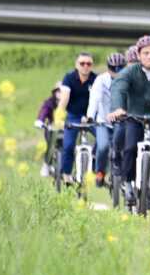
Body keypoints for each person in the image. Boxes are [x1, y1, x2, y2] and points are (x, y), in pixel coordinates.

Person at [108, 35, 150, 207]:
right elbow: (118, 86)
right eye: (146, 53)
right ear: (139, 55)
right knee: (129, 148)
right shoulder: (130, 71)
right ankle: (128, 183)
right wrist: (118, 107)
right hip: (134, 116)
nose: (149, 56)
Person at [84, 52, 126, 187]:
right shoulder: (101, 80)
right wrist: (90, 116)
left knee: (125, 148)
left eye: (120, 68)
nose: (117, 72)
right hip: (103, 122)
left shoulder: (128, 80)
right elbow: (94, 98)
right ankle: (100, 172)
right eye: (114, 69)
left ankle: (126, 177)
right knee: (102, 147)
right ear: (108, 68)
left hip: (122, 121)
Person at [55, 52, 97, 184]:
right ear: (76, 65)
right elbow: (64, 99)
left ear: (92, 66)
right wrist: (59, 118)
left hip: (91, 117)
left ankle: (94, 161)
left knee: (104, 140)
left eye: (88, 64)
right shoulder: (69, 78)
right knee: (68, 146)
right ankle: (66, 174)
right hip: (73, 116)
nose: (85, 66)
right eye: (82, 63)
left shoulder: (96, 79)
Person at [109, 45, 139, 184]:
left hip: (142, 116)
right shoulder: (123, 76)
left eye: (137, 63)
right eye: (132, 62)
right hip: (125, 115)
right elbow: (116, 92)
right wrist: (118, 109)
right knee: (120, 131)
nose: (134, 66)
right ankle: (116, 155)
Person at [35, 81, 62, 177]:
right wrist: (40, 120)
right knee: (50, 145)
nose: (60, 94)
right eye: (58, 91)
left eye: (62, 91)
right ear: (54, 92)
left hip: (66, 129)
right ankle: (46, 164)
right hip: (52, 128)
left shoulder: (70, 102)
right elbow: (44, 111)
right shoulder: (50, 102)